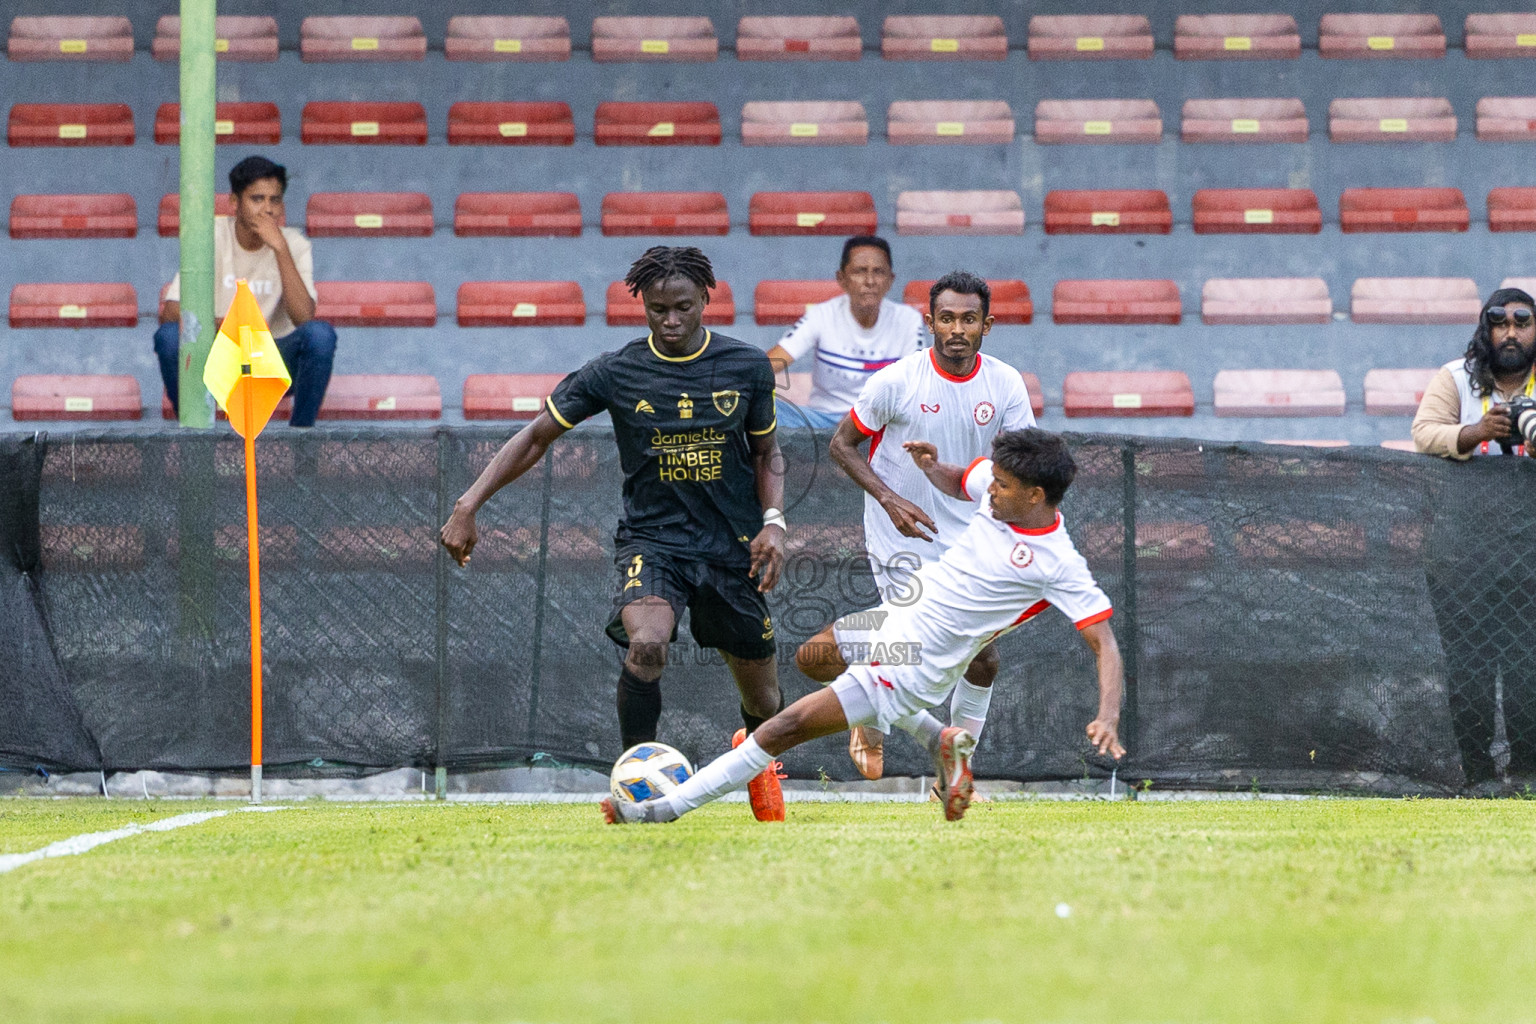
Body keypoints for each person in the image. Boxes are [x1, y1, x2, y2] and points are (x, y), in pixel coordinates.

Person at [602, 428, 1125, 825]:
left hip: (915, 666)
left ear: (1036, 496)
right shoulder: (997, 486)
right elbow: (961, 480)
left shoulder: (1058, 564)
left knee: (781, 728)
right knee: (813, 657)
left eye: (1003, 486)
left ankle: (658, 811)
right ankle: (939, 739)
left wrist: (1107, 715)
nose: (990, 490)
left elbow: (1105, 644)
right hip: (900, 615)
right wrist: (931, 467)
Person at [440, 246, 790, 821]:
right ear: (643, 306)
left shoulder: (746, 365)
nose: (670, 321)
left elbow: (766, 452)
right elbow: (536, 436)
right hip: (653, 542)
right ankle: (635, 781)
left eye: (682, 308)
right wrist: (468, 503)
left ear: (706, 299)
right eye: (657, 309)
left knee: (763, 696)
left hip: (730, 547)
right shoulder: (616, 371)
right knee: (647, 644)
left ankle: (756, 762)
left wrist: (773, 521)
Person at [821, 271, 1037, 781]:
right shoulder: (896, 381)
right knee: (909, 648)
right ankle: (871, 721)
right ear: (930, 322)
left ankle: (954, 776)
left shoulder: (1005, 383)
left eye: (969, 319)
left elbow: (1021, 463)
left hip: (972, 539)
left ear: (987, 325)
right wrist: (890, 499)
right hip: (903, 535)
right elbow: (841, 445)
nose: (957, 329)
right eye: (947, 318)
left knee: (982, 660)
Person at [1411, 286, 1536, 788]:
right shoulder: (1455, 377)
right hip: (1463, 552)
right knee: (1470, 668)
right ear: (1485, 329)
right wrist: (1476, 431)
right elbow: (1423, 433)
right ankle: (1478, 775)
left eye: (1522, 322)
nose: (1510, 332)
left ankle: (1527, 773)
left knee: (1529, 666)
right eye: (1499, 322)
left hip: (1531, 550)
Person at [157, 155, 336, 426]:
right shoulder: (210, 236)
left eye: (275, 200)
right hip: (218, 352)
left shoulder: (294, 244)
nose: (267, 210)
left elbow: (304, 318)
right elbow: (170, 313)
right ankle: (194, 434)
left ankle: (301, 439)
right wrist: (224, 327)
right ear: (234, 202)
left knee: (321, 336)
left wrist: (280, 249)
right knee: (169, 337)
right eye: (257, 199)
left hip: (271, 358)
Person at [764, 236, 924, 431]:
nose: (870, 281)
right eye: (860, 271)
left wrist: (864, 416)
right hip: (823, 420)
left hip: (880, 420)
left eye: (879, 272)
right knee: (765, 407)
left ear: (891, 280)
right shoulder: (821, 315)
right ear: (841, 278)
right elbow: (773, 362)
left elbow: (916, 385)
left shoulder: (908, 319)